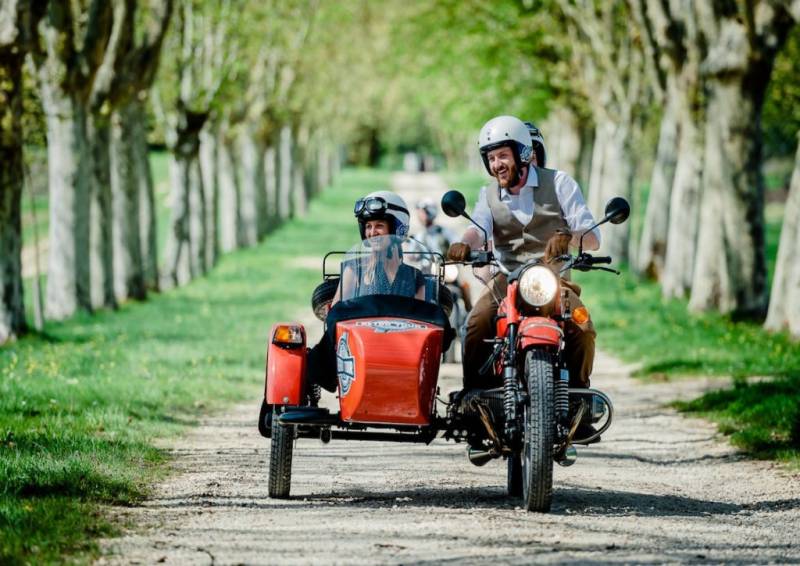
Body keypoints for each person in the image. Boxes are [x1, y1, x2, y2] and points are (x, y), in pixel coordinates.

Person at [447, 115, 600, 432]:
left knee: (583, 327)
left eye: (502, 155)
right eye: (490, 158)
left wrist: (569, 235)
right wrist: (463, 244)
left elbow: (593, 238)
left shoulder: (559, 183)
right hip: (507, 277)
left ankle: (578, 402)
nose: (496, 164)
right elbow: (477, 229)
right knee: (475, 323)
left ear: (524, 153)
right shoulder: (488, 194)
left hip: (552, 277)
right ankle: (474, 402)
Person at [308, 191, 425, 392]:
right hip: (360, 348)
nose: (372, 232)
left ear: (397, 229)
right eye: (368, 226)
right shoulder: (354, 268)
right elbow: (336, 311)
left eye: (379, 225)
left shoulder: (414, 277)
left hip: (402, 353)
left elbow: (423, 324)